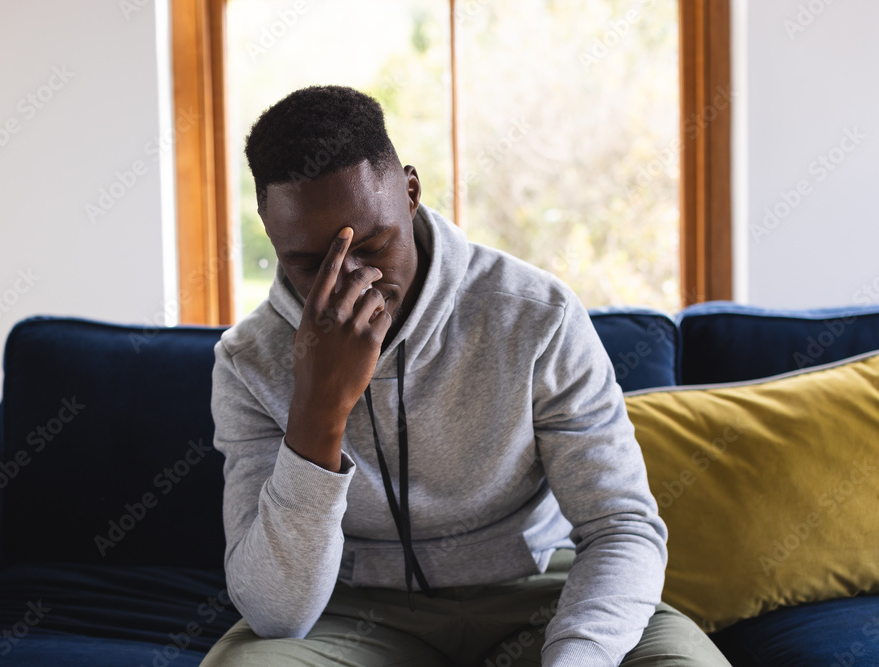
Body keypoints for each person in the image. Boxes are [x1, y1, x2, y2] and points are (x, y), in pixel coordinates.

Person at [201, 85, 731, 666]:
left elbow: (622, 527)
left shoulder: (536, 315)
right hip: (350, 609)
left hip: (539, 591)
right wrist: (319, 412)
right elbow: (278, 614)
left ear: (410, 192)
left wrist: (578, 655)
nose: (355, 282)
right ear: (270, 229)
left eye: (374, 244)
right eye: (310, 263)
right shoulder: (248, 360)